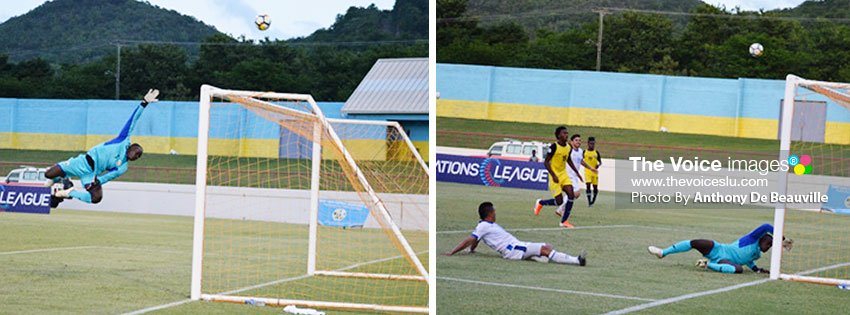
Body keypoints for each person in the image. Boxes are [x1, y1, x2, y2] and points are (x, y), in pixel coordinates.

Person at [46, 89, 159, 204]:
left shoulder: (123, 167)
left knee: (96, 198)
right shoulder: (123, 140)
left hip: (91, 174)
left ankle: (69, 192)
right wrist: (144, 103)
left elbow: (108, 176)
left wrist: (97, 181)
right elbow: (133, 120)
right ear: (131, 147)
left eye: (138, 156)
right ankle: (61, 181)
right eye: (136, 152)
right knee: (48, 174)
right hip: (82, 163)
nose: (136, 156)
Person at [443, 202, 586, 266]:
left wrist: (472, 250)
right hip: (513, 250)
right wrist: (452, 252)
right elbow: (470, 239)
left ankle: (536, 257)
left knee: (547, 247)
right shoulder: (484, 226)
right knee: (546, 249)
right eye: (494, 211)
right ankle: (577, 261)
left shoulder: (484, 227)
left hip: (517, 246)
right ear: (490, 213)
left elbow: (475, 240)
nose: (495, 213)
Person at [647, 223, 793, 274]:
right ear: (761, 239)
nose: (767, 247)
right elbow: (767, 226)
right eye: (768, 243)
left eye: (770, 246)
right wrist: (782, 237)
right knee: (696, 242)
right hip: (720, 250)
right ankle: (663, 252)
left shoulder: (757, 254)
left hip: (725, 261)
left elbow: (748, 261)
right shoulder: (751, 239)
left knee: (739, 270)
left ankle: (708, 264)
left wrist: (757, 270)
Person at [532, 126, 582, 228]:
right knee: (559, 201)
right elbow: (546, 162)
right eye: (564, 133)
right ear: (558, 135)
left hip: (563, 175)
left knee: (571, 195)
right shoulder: (554, 147)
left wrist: (577, 172)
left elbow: (568, 160)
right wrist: (553, 175)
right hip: (554, 176)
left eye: (567, 133)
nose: (566, 135)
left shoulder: (568, 146)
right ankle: (541, 202)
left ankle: (564, 221)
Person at [583, 137, 601, 206]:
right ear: (588, 144)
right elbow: (581, 160)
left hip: (595, 172)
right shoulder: (585, 152)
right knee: (588, 185)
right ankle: (589, 201)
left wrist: (598, 165)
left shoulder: (596, 152)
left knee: (595, 187)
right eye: (591, 143)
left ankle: (594, 199)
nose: (592, 145)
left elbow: (600, 162)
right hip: (587, 171)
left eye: (593, 144)